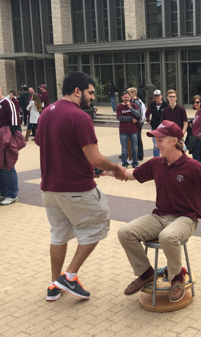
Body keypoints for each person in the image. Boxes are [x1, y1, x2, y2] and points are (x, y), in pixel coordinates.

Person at [108, 120, 201, 302]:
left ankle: (177, 278)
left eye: (160, 140)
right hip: (159, 216)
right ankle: (146, 273)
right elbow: (128, 174)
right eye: (156, 140)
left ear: (174, 140)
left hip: (186, 218)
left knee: (168, 236)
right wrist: (106, 170)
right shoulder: (157, 163)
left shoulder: (193, 166)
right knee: (125, 232)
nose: (156, 145)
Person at [35, 71, 126, 301]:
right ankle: (70, 276)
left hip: (49, 189)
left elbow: (57, 148)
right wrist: (115, 168)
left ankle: (54, 285)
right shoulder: (80, 117)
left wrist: (92, 169)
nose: (93, 98)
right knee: (98, 223)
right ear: (78, 91)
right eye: (91, 92)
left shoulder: (46, 113)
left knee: (59, 235)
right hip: (76, 189)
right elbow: (95, 157)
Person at [0, 87, 20, 206]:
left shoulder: (8, 103)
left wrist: (7, 137)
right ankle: (3, 192)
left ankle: (12, 194)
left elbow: (14, 123)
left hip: (6, 139)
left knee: (8, 166)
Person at [116, 91, 140, 168]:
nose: (126, 99)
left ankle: (135, 162)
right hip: (123, 131)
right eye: (125, 97)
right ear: (122, 97)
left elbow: (137, 114)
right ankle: (124, 163)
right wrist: (130, 118)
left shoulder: (134, 105)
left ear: (130, 97)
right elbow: (120, 118)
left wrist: (130, 107)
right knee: (124, 148)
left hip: (133, 131)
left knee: (134, 147)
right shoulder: (119, 107)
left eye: (127, 97)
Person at [145, 89, 168, 157]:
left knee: (164, 144)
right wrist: (148, 120)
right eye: (155, 96)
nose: (157, 97)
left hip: (163, 127)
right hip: (154, 127)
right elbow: (147, 113)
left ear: (161, 96)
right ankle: (156, 159)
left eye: (158, 96)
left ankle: (165, 157)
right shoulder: (151, 104)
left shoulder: (166, 105)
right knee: (156, 145)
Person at [128, 87, 146, 161]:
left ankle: (139, 155)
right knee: (136, 138)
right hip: (138, 122)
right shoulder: (136, 101)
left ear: (133, 93)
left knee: (137, 138)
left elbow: (138, 113)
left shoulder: (137, 102)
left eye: (129, 93)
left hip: (137, 122)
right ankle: (134, 154)